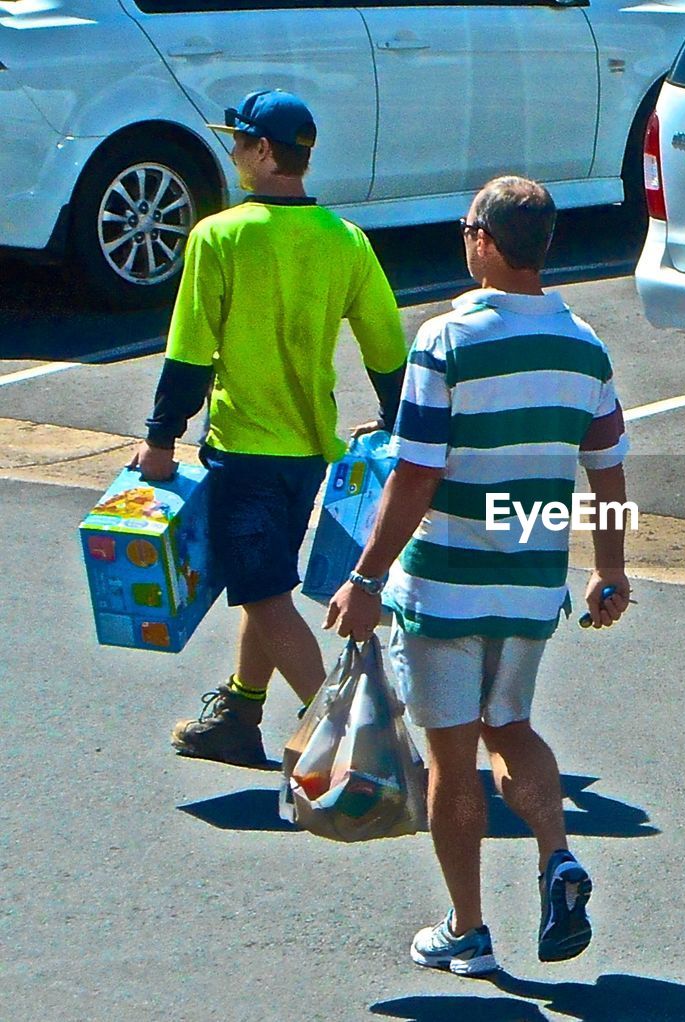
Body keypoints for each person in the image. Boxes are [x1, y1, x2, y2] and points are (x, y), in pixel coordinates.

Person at [326, 176, 632, 975]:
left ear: (488, 244)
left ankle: (468, 929)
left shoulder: (447, 341)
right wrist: (610, 570)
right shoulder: (585, 344)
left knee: (454, 759)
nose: (464, 239)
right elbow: (607, 469)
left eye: (467, 228)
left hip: (446, 586)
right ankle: (557, 856)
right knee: (513, 728)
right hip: (532, 585)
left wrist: (364, 577)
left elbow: (417, 473)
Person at [132, 89, 408, 766]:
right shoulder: (345, 240)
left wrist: (161, 437)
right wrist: (398, 417)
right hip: (309, 453)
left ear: (262, 152)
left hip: (242, 448)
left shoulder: (220, 236)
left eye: (237, 143)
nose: (231, 154)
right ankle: (239, 712)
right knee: (267, 584)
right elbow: (387, 346)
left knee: (262, 592)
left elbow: (190, 351)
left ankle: (351, 739)